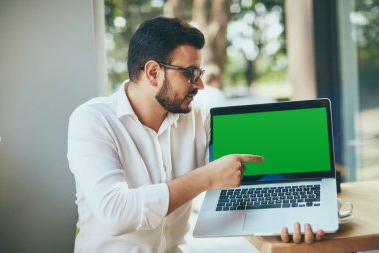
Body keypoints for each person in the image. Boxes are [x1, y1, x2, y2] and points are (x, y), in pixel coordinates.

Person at [67, 17, 324, 253]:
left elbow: (256, 167)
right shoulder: (92, 120)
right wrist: (205, 178)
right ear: (153, 72)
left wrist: (294, 217)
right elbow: (116, 212)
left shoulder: (198, 117)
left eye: (199, 73)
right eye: (190, 73)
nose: (200, 85)